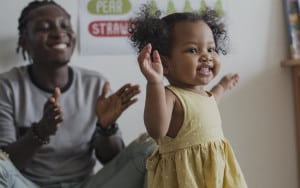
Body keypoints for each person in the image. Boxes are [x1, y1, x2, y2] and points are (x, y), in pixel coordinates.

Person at [0, 0, 156, 188]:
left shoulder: (95, 84)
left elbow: (113, 160)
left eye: (65, 26)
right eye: (44, 28)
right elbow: (6, 163)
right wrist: (39, 132)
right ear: (25, 42)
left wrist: (106, 127)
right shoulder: (7, 86)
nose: (59, 33)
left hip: (88, 185)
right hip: (27, 184)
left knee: (151, 148)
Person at [128, 4, 248, 188]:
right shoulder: (171, 96)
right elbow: (157, 130)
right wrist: (155, 83)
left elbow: (210, 103)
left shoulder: (203, 94)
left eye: (211, 49)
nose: (206, 56)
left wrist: (223, 85)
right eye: (193, 50)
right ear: (165, 64)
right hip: (186, 179)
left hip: (215, 177)